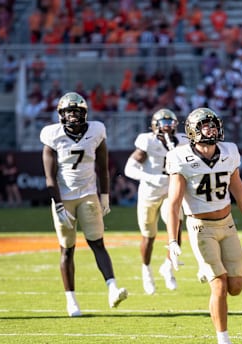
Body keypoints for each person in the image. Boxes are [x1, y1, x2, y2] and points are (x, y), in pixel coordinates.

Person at [165, 107, 242, 344]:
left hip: (227, 224)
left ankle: (208, 269)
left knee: (236, 287)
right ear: (192, 131)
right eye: (205, 126)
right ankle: (223, 342)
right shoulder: (180, 157)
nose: (211, 130)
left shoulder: (228, 152)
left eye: (213, 125)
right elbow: (174, 202)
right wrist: (172, 240)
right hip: (200, 228)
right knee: (220, 285)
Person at [40, 92, 128, 317]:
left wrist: (105, 195)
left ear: (84, 113)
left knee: (97, 243)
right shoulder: (53, 135)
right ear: (61, 115)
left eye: (76, 112)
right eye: (68, 112)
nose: (72, 116)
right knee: (67, 249)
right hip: (64, 199)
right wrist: (58, 205)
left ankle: (112, 289)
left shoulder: (96, 131)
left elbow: (103, 167)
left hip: (88, 194)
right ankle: (71, 301)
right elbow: (50, 177)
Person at [124, 108, 188, 295]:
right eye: (163, 124)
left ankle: (168, 266)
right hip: (149, 191)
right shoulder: (148, 141)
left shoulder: (183, 141)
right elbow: (129, 168)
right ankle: (146, 271)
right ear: (155, 126)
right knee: (148, 235)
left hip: (171, 190)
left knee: (176, 226)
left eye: (170, 124)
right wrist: (150, 177)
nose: (167, 128)